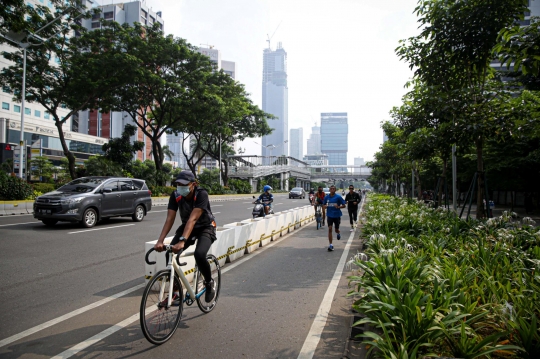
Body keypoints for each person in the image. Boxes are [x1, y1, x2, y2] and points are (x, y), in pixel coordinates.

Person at [154, 170, 217, 303]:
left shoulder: (201, 194)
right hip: (187, 228)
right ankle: (175, 291)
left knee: (199, 254)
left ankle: (208, 282)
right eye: (178, 184)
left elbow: (193, 219)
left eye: (184, 184)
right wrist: (160, 241)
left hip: (206, 227)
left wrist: (182, 240)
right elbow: (170, 219)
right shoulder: (176, 195)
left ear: (193, 184)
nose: (180, 187)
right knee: (169, 253)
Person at [323, 185, 346, 251]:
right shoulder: (326, 197)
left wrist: (338, 207)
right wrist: (325, 206)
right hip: (329, 215)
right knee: (330, 229)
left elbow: (344, 205)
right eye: (331, 189)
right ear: (329, 190)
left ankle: (338, 232)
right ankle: (331, 245)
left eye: (333, 189)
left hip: (337, 215)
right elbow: (324, 205)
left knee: (336, 229)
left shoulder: (338, 197)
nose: (332, 190)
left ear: (335, 190)